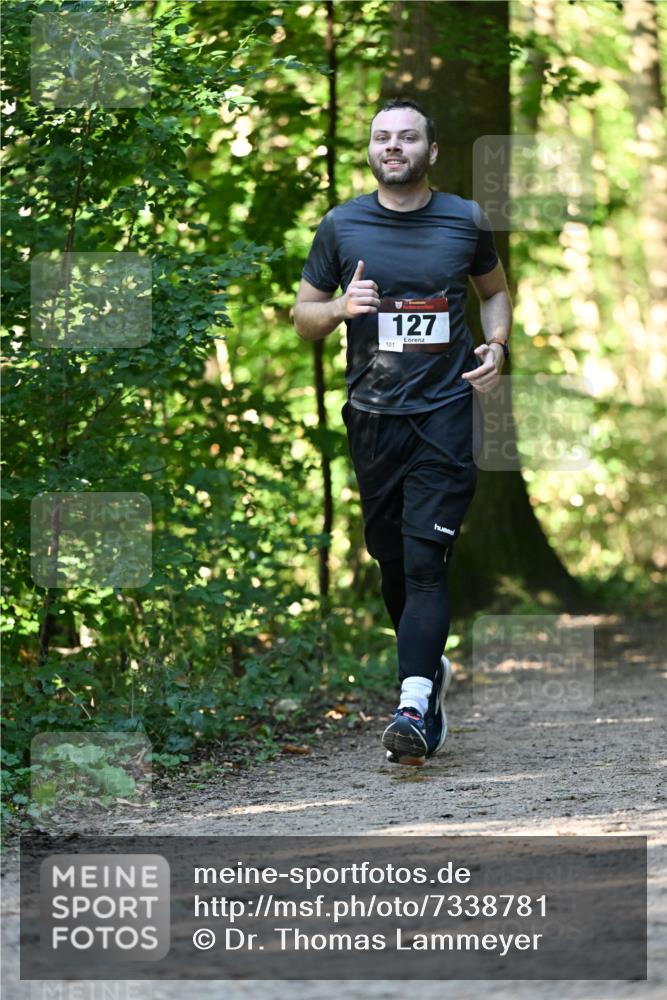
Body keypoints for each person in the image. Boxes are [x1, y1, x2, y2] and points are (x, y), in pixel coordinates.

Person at [293, 97, 512, 765]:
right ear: (371, 150)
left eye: (407, 137)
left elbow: (494, 292)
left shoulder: (464, 220)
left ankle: (413, 704)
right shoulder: (341, 226)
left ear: (431, 151)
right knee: (390, 559)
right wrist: (337, 308)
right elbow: (303, 316)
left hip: (445, 414)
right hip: (372, 419)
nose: (393, 146)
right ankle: (431, 672)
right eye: (382, 137)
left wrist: (496, 347)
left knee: (424, 563)